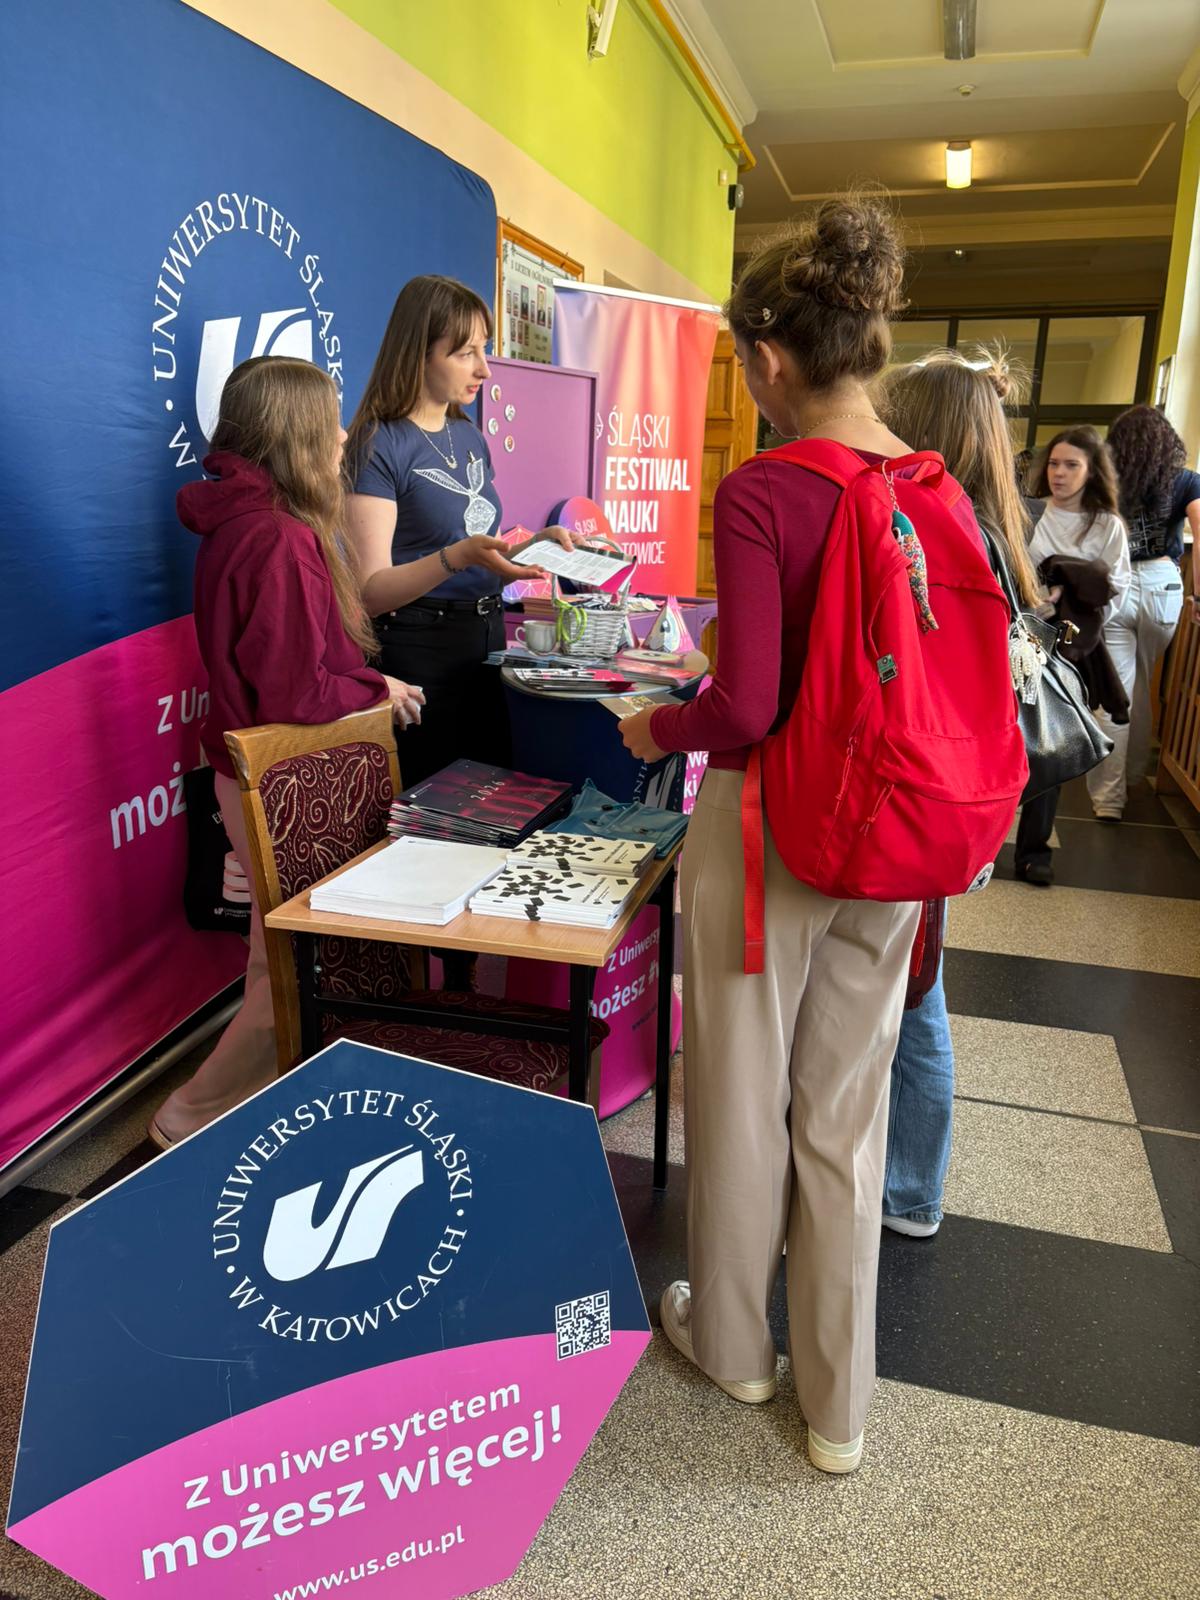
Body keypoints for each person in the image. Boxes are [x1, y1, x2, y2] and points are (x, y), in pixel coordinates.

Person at [619, 196, 987, 1474]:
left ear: (772, 361)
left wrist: (659, 729)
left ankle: (731, 1345)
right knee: (845, 1110)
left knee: (737, 1089)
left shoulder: (769, 489)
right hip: (899, 835)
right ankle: (839, 1407)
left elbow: (749, 703)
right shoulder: (935, 489)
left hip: (774, 828)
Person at [150, 357, 423, 1149]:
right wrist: (375, 693)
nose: (343, 436)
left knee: (280, 961)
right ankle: (189, 1115)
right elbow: (296, 694)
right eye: (331, 419)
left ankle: (233, 1109)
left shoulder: (256, 523)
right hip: (278, 777)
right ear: (294, 431)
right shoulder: (275, 536)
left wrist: (372, 677)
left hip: (258, 775)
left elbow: (303, 664)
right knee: (290, 965)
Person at [874, 347, 1041, 1238]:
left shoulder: (933, 525)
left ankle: (909, 1191)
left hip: (924, 788)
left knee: (918, 992)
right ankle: (906, 1184)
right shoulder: (990, 527)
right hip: (970, 789)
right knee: (918, 981)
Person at [343, 274, 578, 788]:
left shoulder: (468, 435)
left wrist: (536, 545)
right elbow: (370, 590)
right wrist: (458, 557)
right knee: (429, 819)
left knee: (488, 807)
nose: (485, 369)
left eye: (485, 349)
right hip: (417, 655)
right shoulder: (378, 444)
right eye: (466, 352)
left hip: (485, 643)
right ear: (419, 353)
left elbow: (478, 549)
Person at [1015, 428, 1131, 875]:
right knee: (1011, 737)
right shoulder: (1029, 513)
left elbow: (1117, 591)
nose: (1059, 473)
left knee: (1052, 743)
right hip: (1023, 637)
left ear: (1091, 471)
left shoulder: (1107, 525)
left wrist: (1072, 599)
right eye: (1055, 464)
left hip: (1074, 648)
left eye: (1071, 465)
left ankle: (1033, 852)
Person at [1099, 405, 1197, 813]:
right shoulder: (1186, 480)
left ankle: (1108, 798)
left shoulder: (1105, 480)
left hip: (1114, 583)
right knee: (1143, 689)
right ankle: (1137, 775)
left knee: (1115, 691)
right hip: (1162, 586)